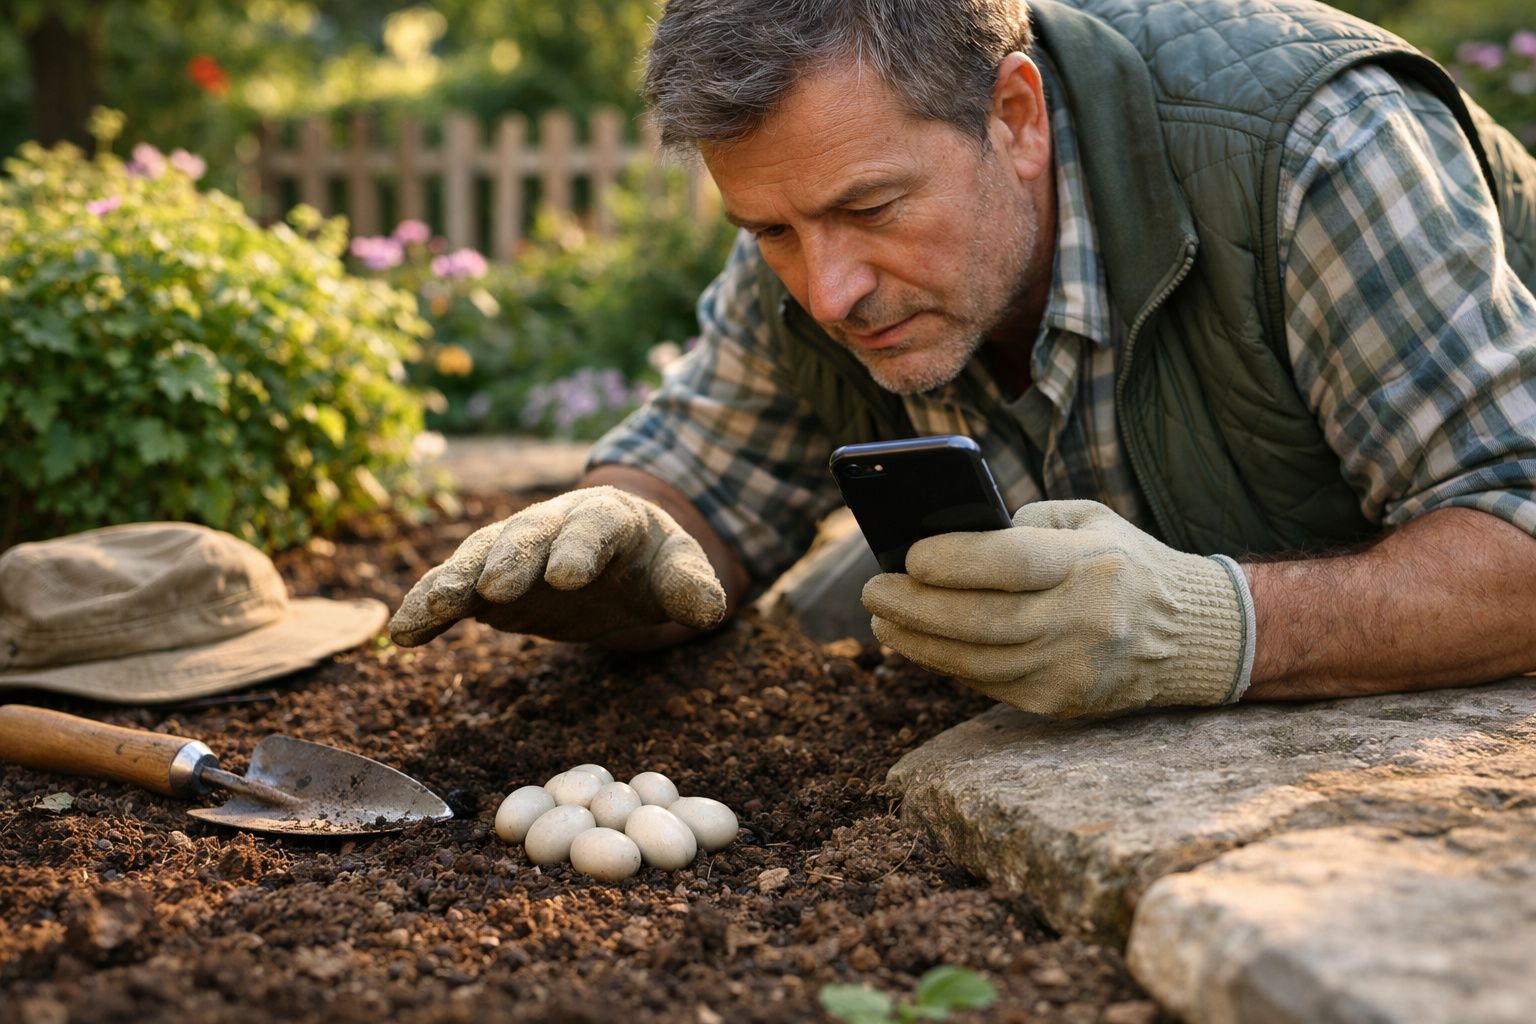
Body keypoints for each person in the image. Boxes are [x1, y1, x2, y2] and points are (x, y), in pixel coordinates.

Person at [391, 0, 1536, 719]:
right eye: (772, 233)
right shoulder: (816, 233)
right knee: (864, 618)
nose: (828, 289)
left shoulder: (1316, 146)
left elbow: (1519, 524)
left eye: (873, 206)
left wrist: (1215, 624)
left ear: (1017, 115)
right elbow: (695, 488)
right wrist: (604, 537)